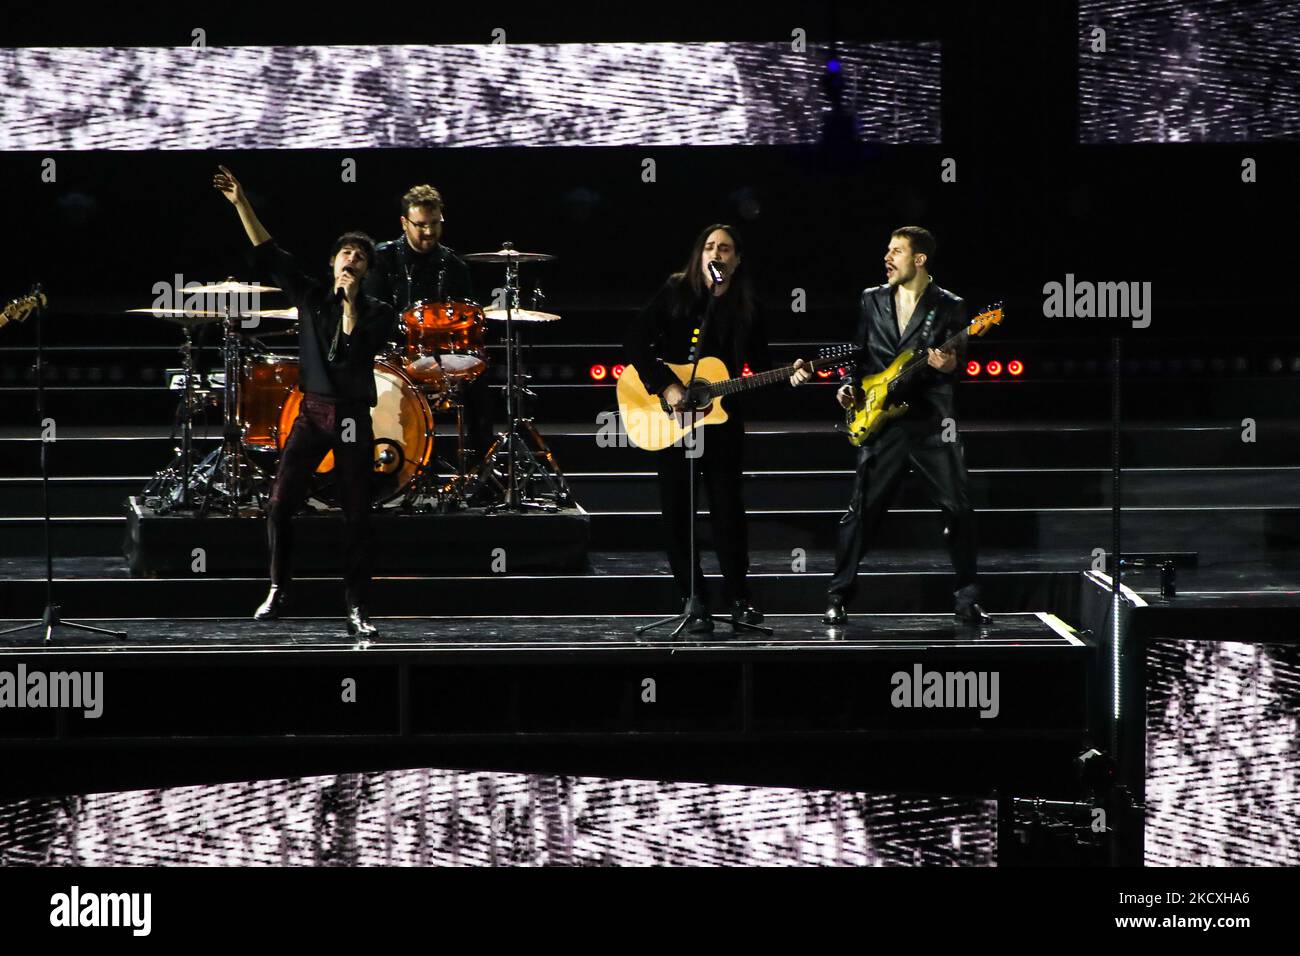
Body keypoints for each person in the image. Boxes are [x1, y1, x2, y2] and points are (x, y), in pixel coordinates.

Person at [213, 165, 393, 637]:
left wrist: (352, 304)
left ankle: (356, 604)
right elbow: (268, 251)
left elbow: (353, 350)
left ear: (366, 271)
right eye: (344, 253)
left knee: (357, 514)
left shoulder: (378, 313)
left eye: (358, 256)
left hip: (352, 417)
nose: (349, 259)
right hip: (311, 413)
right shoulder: (311, 296)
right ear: (332, 261)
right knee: (279, 503)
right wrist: (241, 204)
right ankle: (278, 587)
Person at [793, 225, 990, 626]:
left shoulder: (949, 305)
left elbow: (956, 368)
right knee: (861, 511)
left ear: (919, 259)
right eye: (887, 250)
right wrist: (848, 386)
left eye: (896, 251)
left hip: (932, 423)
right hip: (883, 421)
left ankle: (967, 598)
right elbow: (860, 355)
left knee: (958, 509)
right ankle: (838, 594)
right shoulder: (871, 300)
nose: (887, 257)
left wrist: (950, 365)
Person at [624, 223, 806, 633]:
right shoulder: (676, 291)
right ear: (698, 255)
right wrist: (668, 387)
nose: (716, 254)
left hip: (721, 422)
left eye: (725, 249)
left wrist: (788, 374)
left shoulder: (747, 306)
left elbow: (758, 366)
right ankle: (693, 597)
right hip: (671, 418)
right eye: (709, 247)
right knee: (676, 511)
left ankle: (739, 597)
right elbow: (634, 342)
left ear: (737, 260)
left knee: (728, 511)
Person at [363, 184, 493, 465]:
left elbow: (468, 319)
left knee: (479, 377)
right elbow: (372, 315)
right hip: (394, 356)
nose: (429, 232)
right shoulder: (382, 259)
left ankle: (480, 469)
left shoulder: (453, 264)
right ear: (404, 223)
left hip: (441, 356)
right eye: (421, 225)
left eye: (435, 224)